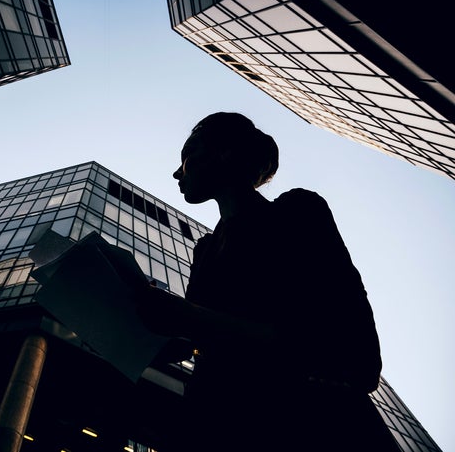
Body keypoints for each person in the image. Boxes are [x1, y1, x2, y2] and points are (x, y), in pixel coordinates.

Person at [137, 112, 399, 451]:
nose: (177, 172)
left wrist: (188, 316)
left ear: (224, 153)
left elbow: (351, 354)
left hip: (309, 426)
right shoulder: (205, 251)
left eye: (187, 155)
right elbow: (194, 339)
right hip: (218, 426)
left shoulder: (298, 213)